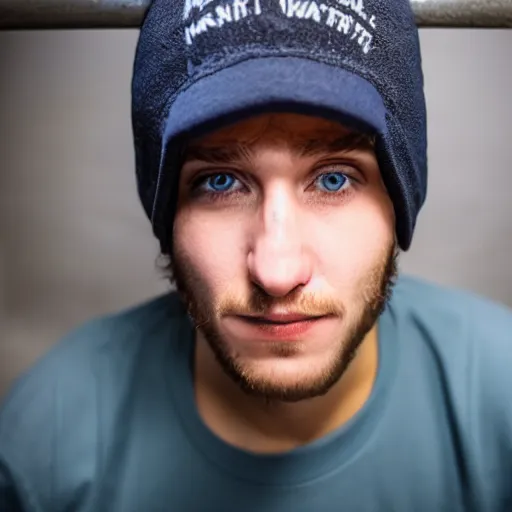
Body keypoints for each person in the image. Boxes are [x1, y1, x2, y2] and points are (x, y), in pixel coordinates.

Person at [1, 0, 511, 510]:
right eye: (219, 182)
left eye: (334, 178)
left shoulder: (498, 394)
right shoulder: (49, 440)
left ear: (400, 201)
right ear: (166, 210)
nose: (277, 271)